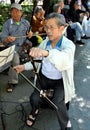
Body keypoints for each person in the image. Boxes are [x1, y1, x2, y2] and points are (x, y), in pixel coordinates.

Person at [14, 13, 75, 130]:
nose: (47, 30)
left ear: (62, 28)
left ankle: (65, 124)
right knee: (34, 98)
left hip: (59, 81)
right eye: (46, 27)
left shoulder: (69, 45)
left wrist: (47, 53)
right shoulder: (45, 42)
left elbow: (64, 59)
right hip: (44, 78)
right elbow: (37, 61)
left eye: (51, 27)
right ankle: (34, 110)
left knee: (58, 102)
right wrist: (24, 67)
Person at [1, 3, 33, 92]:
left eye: (17, 11)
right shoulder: (7, 24)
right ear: (11, 13)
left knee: (35, 53)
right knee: (15, 60)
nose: (15, 13)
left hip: (23, 46)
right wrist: (7, 39)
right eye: (13, 11)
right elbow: (3, 39)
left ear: (21, 13)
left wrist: (30, 34)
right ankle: (12, 82)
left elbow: (29, 34)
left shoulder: (26, 23)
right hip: (12, 48)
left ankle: (35, 74)